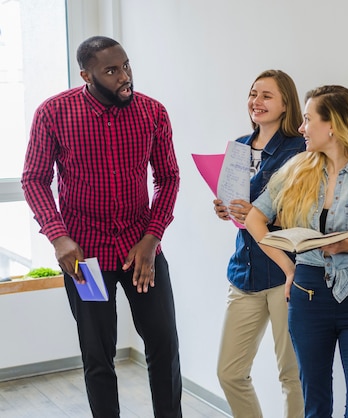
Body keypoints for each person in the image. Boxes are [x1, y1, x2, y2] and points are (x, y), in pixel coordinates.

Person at [21, 36, 182, 417]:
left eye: (126, 66)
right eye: (111, 71)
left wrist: (152, 238)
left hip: (140, 252)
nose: (124, 77)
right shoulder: (54, 113)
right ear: (86, 75)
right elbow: (33, 179)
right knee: (98, 353)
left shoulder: (152, 113)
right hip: (84, 258)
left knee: (163, 345)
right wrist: (58, 238)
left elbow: (169, 178)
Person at [245, 85, 348, 418]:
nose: (301, 128)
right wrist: (288, 268)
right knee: (315, 405)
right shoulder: (295, 170)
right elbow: (255, 219)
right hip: (307, 296)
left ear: (333, 125)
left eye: (307, 119)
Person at [213, 69, 305, 418]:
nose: (257, 101)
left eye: (267, 95)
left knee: (291, 374)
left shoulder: (299, 149)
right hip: (244, 271)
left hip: (285, 272)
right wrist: (226, 208)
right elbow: (240, 208)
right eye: (253, 94)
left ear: (286, 104)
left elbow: (297, 208)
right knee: (229, 372)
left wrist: (255, 210)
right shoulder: (238, 147)